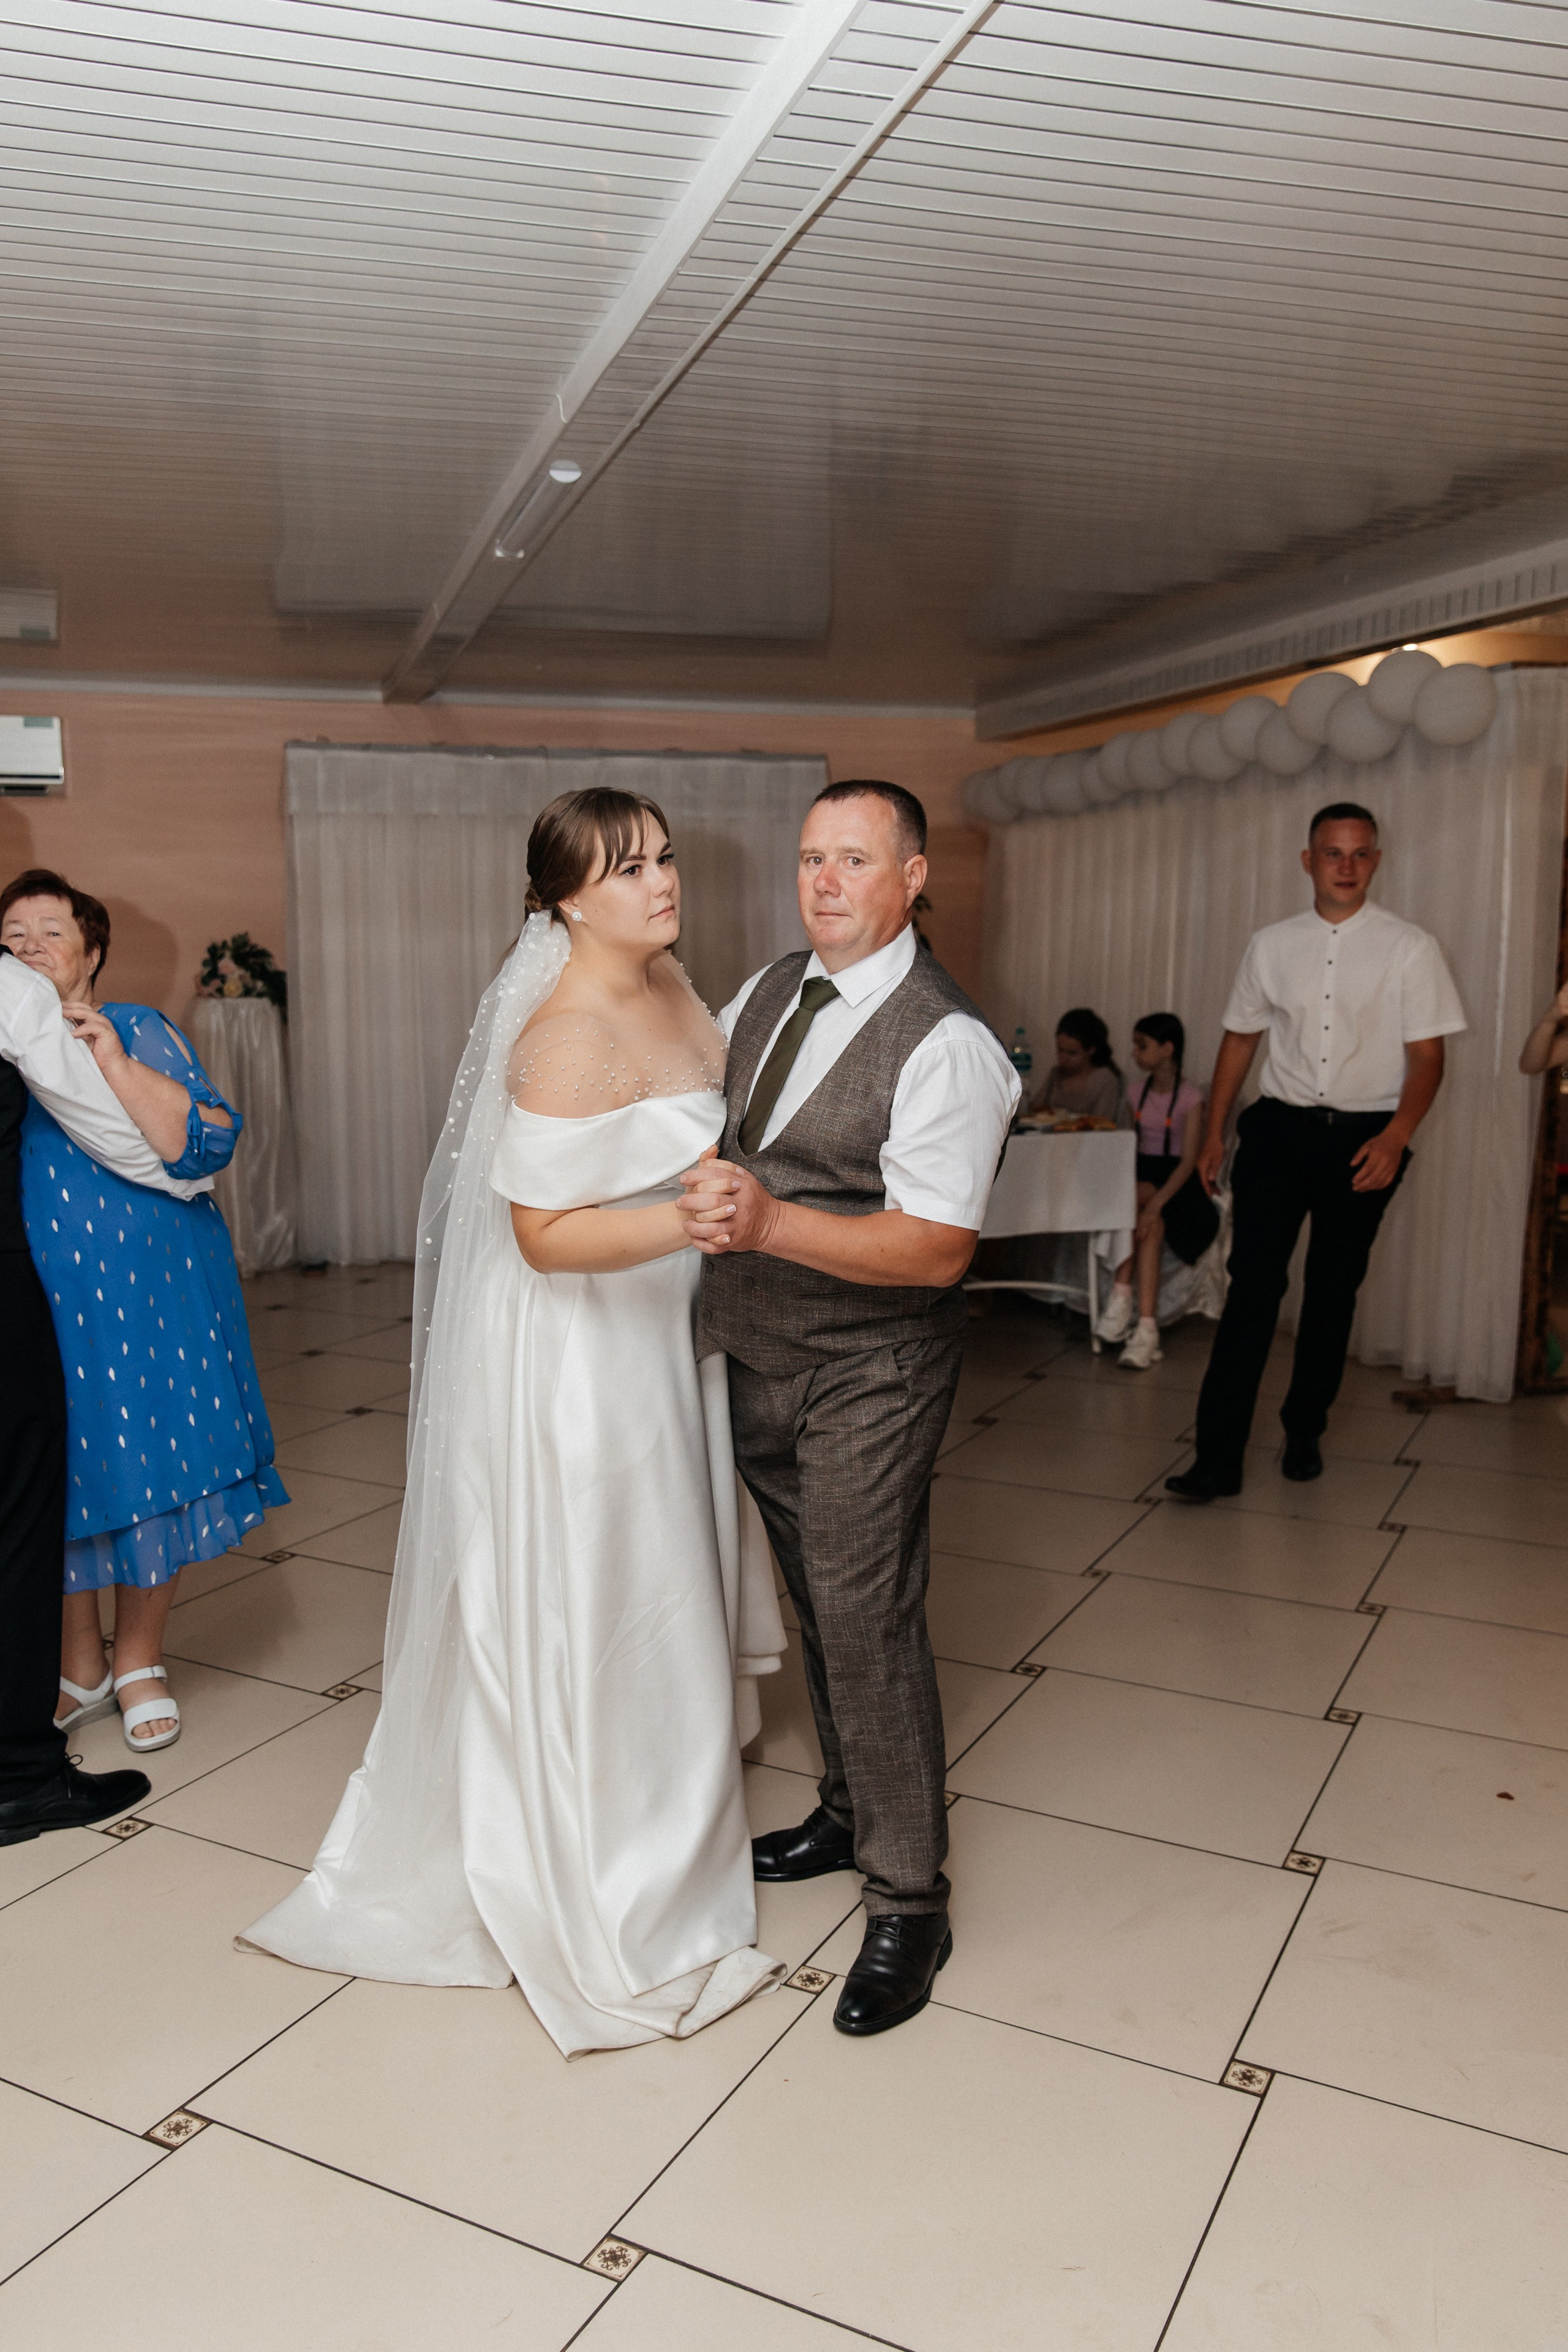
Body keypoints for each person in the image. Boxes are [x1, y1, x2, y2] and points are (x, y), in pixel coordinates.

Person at [243, 789, 786, 2058]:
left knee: (676, 1574)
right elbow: (540, 1238)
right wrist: (689, 1219)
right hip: (587, 1354)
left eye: (664, 855)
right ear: (561, 901)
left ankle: (672, 1814)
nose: (662, 882)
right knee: (611, 1593)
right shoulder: (561, 1033)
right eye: (630, 868)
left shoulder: (674, 986)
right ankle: (601, 1861)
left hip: (669, 1334)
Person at [679, 779, 1019, 2037]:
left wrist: (769, 1221)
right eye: (812, 858)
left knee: (866, 1613)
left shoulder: (947, 1044)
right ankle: (845, 1807)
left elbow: (934, 1252)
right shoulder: (768, 988)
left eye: (856, 860)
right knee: (814, 1598)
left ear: (913, 877)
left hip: (872, 1370)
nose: (825, 882)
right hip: (758, 1354)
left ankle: (907, 1898)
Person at [0, 869, 286, 1751]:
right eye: (11, 935)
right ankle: (80, 1664)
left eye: (50, 931)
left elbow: (207, 1138)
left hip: (155, 1291)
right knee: (71, 1467)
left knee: (152, 1452)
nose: (27, 946)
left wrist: (110, 1058)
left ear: (92, 951)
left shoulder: (135, 1026)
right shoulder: (12, 1041)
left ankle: (141, 1660)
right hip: (51, 1293)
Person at [1166, 804, 1466, 1502]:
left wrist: (1395, 1137)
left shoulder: (1410, 947)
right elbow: (1240, 1038)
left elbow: (1427, 1059)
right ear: (1307, 861)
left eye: (1360, 854)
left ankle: (1303, 1429)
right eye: (1333, 853)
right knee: (1253, 1292)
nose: (1346, 867)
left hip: (1367, 1139)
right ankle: (1217, 1458)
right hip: (1277, 1132)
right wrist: (1215, 1131)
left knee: (1332, 1292)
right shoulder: (1270, 944)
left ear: (1377, 861)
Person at [0, 946, 214, 1844]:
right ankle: (18, 1778)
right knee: (18, 1506)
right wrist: (188, 1171)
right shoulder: (8, 991)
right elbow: (103, 1118)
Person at [1099, 1013, 1218, 1370]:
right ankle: (1147, 1327)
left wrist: (1158, 1203)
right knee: (1150, 1226)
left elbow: (1188, 1161)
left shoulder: (1191, 1097)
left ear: (1168, 1049)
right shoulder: (1135, 1093)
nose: (1134, 1053)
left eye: (1142, 1045)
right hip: (1143, 1174)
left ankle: (1122, 1296)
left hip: (1178, 1184)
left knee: (1142, 1204)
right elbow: (1125, 1144)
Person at [1028, 1007, 1123, 1121]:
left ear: (1091, 1050)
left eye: (1072, 1053)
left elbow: (1102, 1124)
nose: (1064, 1058)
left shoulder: (1104, 1080)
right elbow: (1034, 1110)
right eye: (1060, 1050)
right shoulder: (1057, 1074)